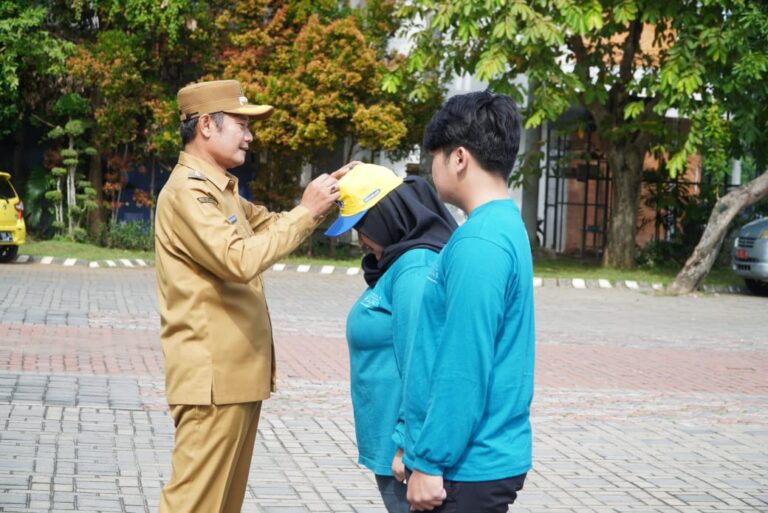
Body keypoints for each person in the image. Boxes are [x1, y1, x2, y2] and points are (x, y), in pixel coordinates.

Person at [155, 79, 347, 513]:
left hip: (233, 381)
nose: (250, 136)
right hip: (211, 383)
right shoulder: (188, 192)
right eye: (241, 124)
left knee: (221, 505)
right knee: (193, 504)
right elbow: (239, 259)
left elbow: (271, 225)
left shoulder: (220, 189)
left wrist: (323, 199)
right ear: (206, 125)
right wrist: (306, 211)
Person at [402, 91, 535, 512]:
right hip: (474, 460)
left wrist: (428, 461)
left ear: (459, 158)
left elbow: (464, 364)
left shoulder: (480, 241)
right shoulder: (501, 223)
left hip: (466, 467)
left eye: (435, 157)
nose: (432, 169)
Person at [324, 163, 457, 513]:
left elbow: (422, 363)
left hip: (404, 458)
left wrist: (407, 445)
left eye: (361, 227)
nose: (360, 240)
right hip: (391, 448)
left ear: (383, 218)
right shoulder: (399, 264)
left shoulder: (413, 270)